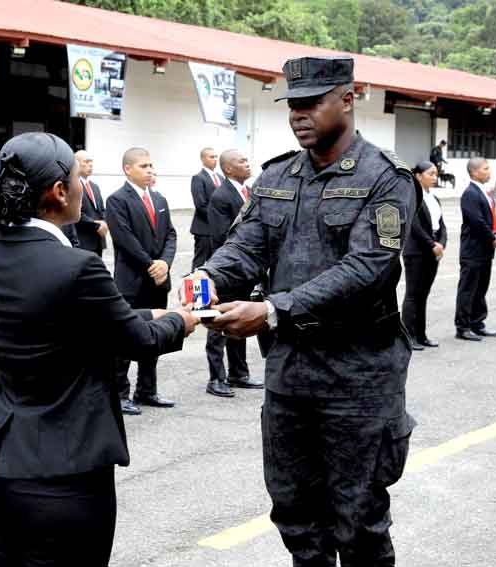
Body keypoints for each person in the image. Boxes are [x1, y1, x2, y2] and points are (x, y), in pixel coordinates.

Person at [190, 56, 419, 566]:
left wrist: (273, 310)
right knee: (295, 513)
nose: (299, 114)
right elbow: (245, 247)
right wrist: (209, 276)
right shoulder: (277, 176)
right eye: (293, 104)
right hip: (291, 373)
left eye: (312, 103)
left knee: (358, 519)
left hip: (359, 375)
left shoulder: (386, 178)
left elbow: (367, 268)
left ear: (347, 99)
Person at [0, 132, 197, 567]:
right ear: (59, 191)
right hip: (64, 476)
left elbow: (76, 319)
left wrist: (150, 313)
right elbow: (138, 340)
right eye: (77, 177)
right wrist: (183, 320)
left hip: (0, 469)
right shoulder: (77, 266)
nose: (81, 186)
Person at [105, 147, 178, 416]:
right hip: (132, 281)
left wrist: (165, 264)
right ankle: (119, 393)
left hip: (158, 281)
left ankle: (147, 390)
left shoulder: (159, 198)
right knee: (125, 338)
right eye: (144, 166)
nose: (150, 170)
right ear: (128, 169)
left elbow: (170, 235)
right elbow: (125, 239)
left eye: (151, 165)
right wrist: (151, 265)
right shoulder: (117, 200)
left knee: (153, 336)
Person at [203, 149, 263, 397]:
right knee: (218, 325)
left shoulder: (247, 191)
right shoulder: (221, 196)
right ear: (228, 168)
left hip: (243, 271)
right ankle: (216, 378)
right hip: (226, 271)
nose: (247, 164)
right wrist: (228, 266)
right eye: (242, 161)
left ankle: (239, 373)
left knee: (240, 319)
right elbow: (221, 236)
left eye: (247, 160)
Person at [454, 157, 496, 341]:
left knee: (481, 289)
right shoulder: (470, 193)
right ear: (474, 172)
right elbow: (476, 221)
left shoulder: (484, 192)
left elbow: (492, 218)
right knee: (468, 290)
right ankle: (463, 327)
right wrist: (492, 237)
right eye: (485, 169)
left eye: (488, 168)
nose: (489, 171)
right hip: (473, 251)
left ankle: (477, 323)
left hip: (485, 251)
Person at [402, 161, 447, 351]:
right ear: (418, 176)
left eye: (436, 174)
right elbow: (414, 226)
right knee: (413, 295)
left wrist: (441, 243)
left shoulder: (434, 198)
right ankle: (408, 336)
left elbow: (441, 225)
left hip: (433, 250)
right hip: (417, 251)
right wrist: (432, 244)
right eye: (431, 174)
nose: (434, 177)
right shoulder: (411, 196)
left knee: (423, 295)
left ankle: (421, 335)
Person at [189, 147, 222, 270]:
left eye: (216, 156)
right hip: (204, 229)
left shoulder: (221, 177)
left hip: (218, 230)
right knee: (200, 262)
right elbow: (200, 204)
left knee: (216, 262)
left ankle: (212, 282)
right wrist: (219, 217)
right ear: (203, 159)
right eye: (211, 157)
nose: (215, 159)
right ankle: (196, 283)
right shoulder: (198, 178)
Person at [73, 150, 108, 256]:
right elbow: (75, 212)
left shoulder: (94, 187)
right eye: (86, 161)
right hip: (83, 241)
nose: (90, 164)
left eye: (91, 161)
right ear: (76, 163)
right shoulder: (72, 185)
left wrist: (104, 222)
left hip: (98, 240)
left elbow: (102, 210)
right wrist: (96, 225)